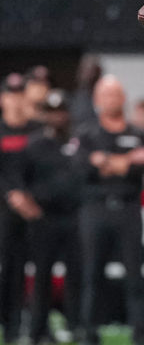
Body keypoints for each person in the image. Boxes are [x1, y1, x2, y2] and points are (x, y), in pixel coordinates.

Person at [75, 75, 144, 345]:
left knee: (135, 276)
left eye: (116, 94)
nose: (111, 99)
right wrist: (125, 160)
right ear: (97, 100)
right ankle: (89, 333)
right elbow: (84, 169)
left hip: (129, 209)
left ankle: (140, 334)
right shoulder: (86, 134)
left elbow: (139, 167)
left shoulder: (137, 133)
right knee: (92, 275)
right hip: (95, 210)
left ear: (124, 98)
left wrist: (106, 161)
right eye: (106, 95)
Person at [9, 89, 83, 344]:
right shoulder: (35, 143)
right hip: (44, 218)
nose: (57, 118)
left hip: (75, 216)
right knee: (42, 277)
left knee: (77, 274)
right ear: (45, 115)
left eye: (61, 112)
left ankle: (76, 326)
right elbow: (18, 178)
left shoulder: (78, 141)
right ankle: (38, 330)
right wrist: (24, 200)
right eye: (52, 113)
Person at [0, 72, 43, 343]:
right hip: (5, 212)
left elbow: (46, 168)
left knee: (40, 269)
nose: (15, 100)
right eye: (10, 94)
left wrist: (30, 198)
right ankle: (11, 325)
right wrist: (11, 195)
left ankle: (39, 326)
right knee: (9, 270)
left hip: (36, 210)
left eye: (19, 94)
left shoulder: (36, 131)